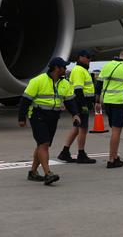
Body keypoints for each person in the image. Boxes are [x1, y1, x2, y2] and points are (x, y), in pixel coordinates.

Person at [18, 57, 81, 185]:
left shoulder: (64, 83)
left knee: (42, 145)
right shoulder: (38, 81)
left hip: (53, 116)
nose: (66, 69)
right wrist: (21, 117)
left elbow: (70, 101)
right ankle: (48, 174)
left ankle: (33, 173)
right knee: (44, 143)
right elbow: (25, 100)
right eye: (64, 67)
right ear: (57, 68)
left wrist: (75, 114)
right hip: (37, 115)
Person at [57, 50, 97, 164]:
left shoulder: (82, 70)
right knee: (82, 129)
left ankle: (64, 152)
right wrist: (84, 105)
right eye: (88, 57)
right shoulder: (79, 70)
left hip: (79, 103)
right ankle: (81, 154)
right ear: (81, 58)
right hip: (81, 104)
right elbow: (78, 89)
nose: (90, 60)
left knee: (76, 129)